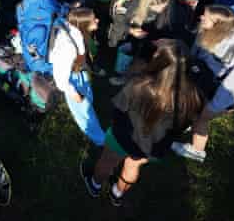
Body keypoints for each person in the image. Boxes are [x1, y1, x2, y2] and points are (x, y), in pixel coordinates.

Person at [84, 39, 203, 205]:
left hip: (123, 137)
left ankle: (95, 184)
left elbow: (119, 110)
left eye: (156, 53)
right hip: (153, 147)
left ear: (160, 61)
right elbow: (183, 127)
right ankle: (117, 194)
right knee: (133, 166)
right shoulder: (194, 97)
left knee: (108, 160)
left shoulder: (139, 84)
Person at [172, 6, 234, 163]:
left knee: (202, 118)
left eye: (205, 17)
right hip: (209, 81)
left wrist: (212, 108)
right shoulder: (208, 33)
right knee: (194, 108)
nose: (200, 17)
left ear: (217, 26)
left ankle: (197, 151)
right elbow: (198, 53)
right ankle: (189, 120)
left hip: (224, 94)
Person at [50, 7, 106, 147]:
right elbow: (60, 78)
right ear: (83, 25)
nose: (97, 20)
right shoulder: (68, 47)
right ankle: (100, 140)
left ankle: (88, 105)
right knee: (85, 112)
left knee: (87, 100)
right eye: (93, 20)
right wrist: (73, 93)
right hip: (71, 82)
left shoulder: (75, 32)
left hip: (77, 72)